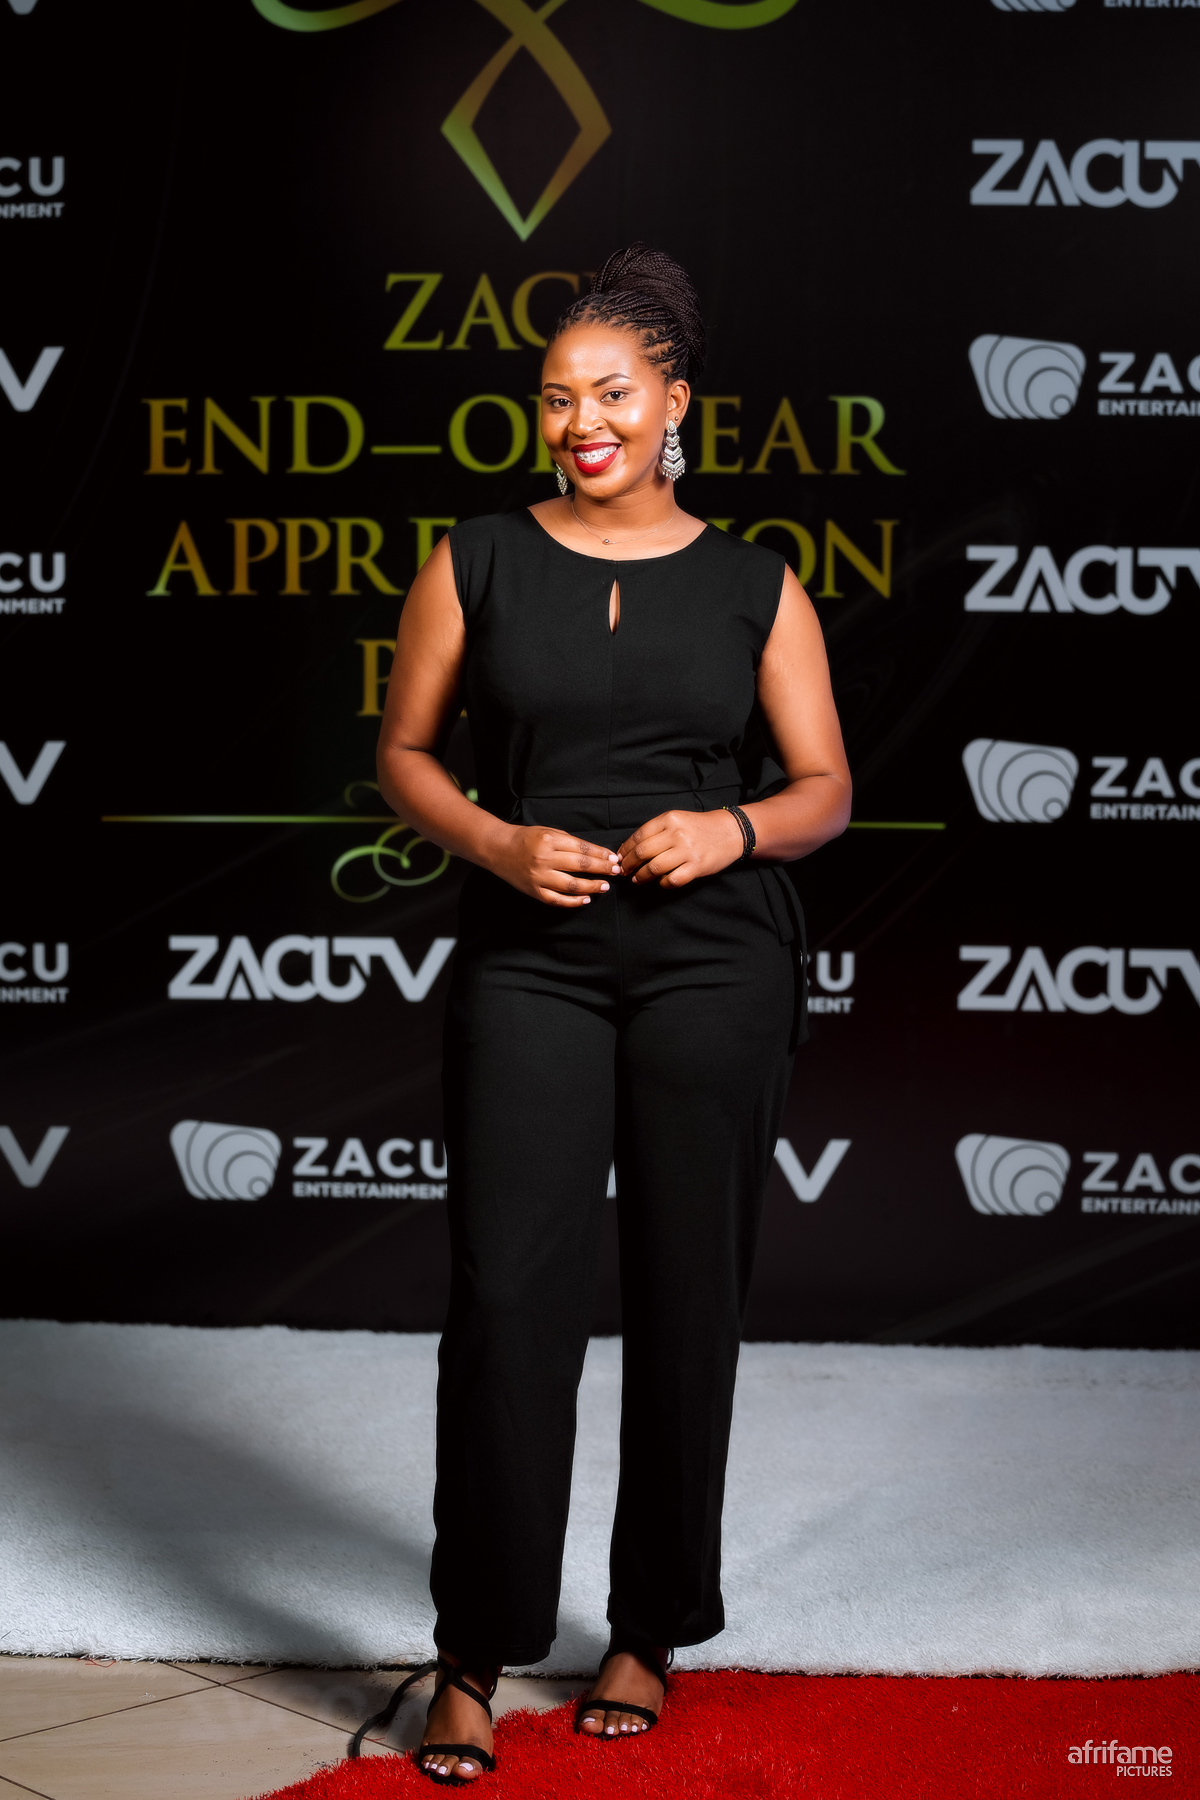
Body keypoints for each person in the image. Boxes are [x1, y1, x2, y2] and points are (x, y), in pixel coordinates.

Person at [375, 243, 851, 1782]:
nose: (581, 422)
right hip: (534, 960)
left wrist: (733, 827)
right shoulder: (477, 560)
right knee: (508, 1297)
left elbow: (827, 788)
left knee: (686, 1297)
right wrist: (500, 843)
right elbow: (405, 755)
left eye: (611, 393)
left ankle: (648, 1628)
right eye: (555, 397)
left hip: (717, 961)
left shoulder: (755, 583)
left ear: (676, 403)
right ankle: (473, 1647)